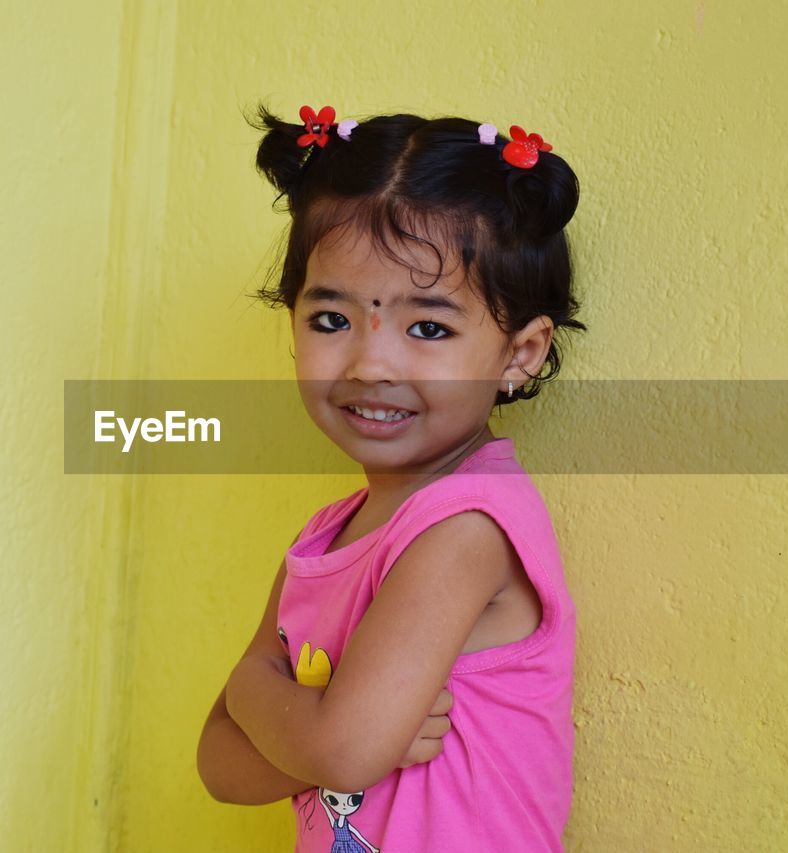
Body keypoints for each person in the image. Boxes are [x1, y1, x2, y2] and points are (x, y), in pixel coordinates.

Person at [197, 102, 585, 851]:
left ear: (521, 353)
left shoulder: (467, 525)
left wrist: (260, 694)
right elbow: (218, 764)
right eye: (332, 320)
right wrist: (311, 726)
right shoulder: (323, 537)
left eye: (430, 328)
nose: (372, 364)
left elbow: (340, 750)